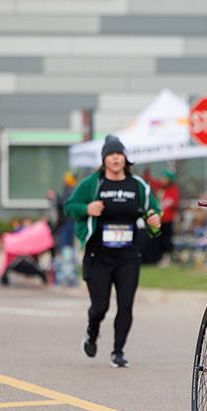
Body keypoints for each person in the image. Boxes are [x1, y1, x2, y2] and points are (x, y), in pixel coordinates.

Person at [64, 135, 161, 368]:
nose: (115, 158)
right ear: (104, 159)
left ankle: (118, 351)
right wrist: (87, 208)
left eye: (119, 154)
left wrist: (155, 221)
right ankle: (92, 330)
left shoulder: (138, 185)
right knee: (100, 307)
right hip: (98, 257)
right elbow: (69, 207)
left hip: (128, 257)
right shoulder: (93, 184)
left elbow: (153, 214)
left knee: (125, 305)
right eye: (110, 154)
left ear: (125, 158)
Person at [143, 169, 180, 267]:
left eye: (165, 178)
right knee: (158, 239)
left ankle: (168, 257)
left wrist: (168, 203)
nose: (162, 180)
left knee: (167, 239)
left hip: (168, 219)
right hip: (159, 218)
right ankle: (159, 257)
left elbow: (175, 203)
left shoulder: (172, 189)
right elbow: (148, 181)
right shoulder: (160, 187)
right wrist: (147, 169)